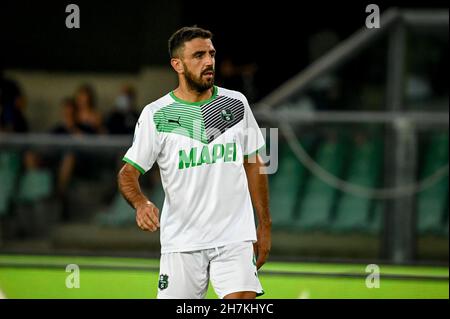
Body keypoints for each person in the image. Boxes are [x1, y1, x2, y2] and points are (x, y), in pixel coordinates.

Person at [118, 26, 271, 299]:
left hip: (234, 236)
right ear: (177, 64)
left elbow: (255, 163)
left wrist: (265, 224)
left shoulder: (237, 104)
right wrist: (141, 203)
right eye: (198, 55)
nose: (209, 61)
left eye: (211, 54)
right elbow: (128, 173)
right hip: (182, 241)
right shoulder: (156, 114)